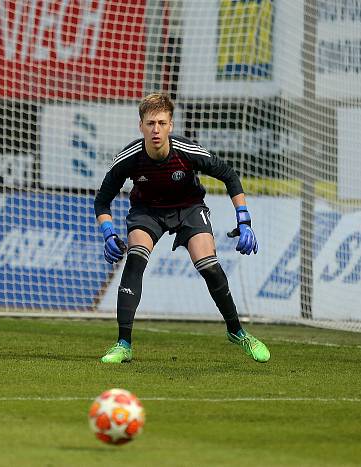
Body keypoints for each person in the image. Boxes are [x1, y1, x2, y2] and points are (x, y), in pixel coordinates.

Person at [94, 93, 270, 364]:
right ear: (140, 126)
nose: (156, 130)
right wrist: (108, 233)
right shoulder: (129, 158)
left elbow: (229, 175)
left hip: (189, 207)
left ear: (171, 125)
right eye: (150, 123)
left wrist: (244, 220)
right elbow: (102, 201)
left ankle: (237, 332)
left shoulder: (186, 151)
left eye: (162, 123)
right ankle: (123, 344)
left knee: (209, 265)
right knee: (136, 258)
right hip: (147, 211)